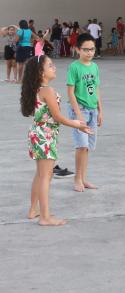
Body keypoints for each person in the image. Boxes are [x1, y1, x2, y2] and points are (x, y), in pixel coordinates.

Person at [21, 55, 92, 225]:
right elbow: (58, 116)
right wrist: (77, 124)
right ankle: (45, 217)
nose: (55, 68)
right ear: (41, 72)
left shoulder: (37, 89)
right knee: (46, 175)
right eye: (50, 65)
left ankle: (33, 210)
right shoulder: (48, 91)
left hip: (37, 133)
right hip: (45, 135)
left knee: (40, 174)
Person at [67, 33, 103, 192]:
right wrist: (78, 115)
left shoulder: (95, 67)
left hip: (93, 110)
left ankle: (83, 178)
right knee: (81, 145)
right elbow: (70, 92)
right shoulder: (74, 67)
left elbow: (96, 89)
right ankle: (77, 179)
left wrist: (100, 110)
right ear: (78, 50)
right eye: (86, 50)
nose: (89, 53)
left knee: (87, 147)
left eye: (92, 49)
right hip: (79, 110)